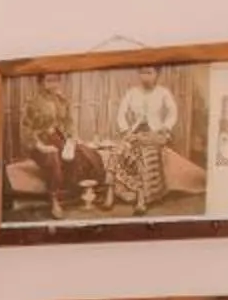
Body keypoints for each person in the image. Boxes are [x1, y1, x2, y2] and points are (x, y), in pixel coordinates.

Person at [18, 73, 101, 216]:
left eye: (56, 80)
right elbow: (26, 129)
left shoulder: (62, 101)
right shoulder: (32, 103)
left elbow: (68, 122)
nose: (53, 84)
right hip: (39, 142)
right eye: (49, 81)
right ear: (41, 83)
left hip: (59, 138)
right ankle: (54, 199)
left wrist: (73, 138)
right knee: (53, 157)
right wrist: (41, 146)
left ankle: (75, 192)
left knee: (82, 153)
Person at [113, 65, 179, 215]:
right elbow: (121, 112)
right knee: (120, 150)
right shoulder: (132, 93)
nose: (145, 77)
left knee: (144, 153)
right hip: (136, 132)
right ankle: (118, 192)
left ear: (157, 74)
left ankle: (142, 199)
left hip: (155, 133)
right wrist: (126, 130)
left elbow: (173, 112)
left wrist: (165, 127)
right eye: (142, 73)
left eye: (149, 73)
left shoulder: (163, 92)